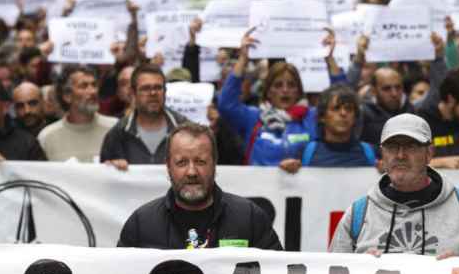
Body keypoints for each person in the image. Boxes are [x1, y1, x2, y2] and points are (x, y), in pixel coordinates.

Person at [329, 114, 459, 256]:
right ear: (382, 154)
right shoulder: (358, 213)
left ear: (429, 154)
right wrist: (359, 271)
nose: (400, 155)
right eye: (392, 147)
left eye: (411, 146)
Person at [118, 122, 282, 250]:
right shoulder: (141, 224)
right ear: (168, 166)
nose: (191, 172)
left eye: (200, 161)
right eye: (181, 162)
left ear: (214, 164)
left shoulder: (250, 218)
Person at [218, 29, 346, 165]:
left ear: (299, 91)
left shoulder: (313, 118)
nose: (285, 90)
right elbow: (226, 104)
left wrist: (329, 58)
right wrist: (243, 58)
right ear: (268, 91)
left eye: (291, 85)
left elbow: (344, 98)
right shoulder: (253, 118)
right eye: (278, 85)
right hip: (259, 186)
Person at [100, 64, 186, 169]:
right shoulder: (117, 135)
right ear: (133, 93)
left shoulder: (186, 130)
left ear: (165, 91)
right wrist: (112, 168)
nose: (153, 93)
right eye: (145, 88)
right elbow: (105, 180)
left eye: (158, 88)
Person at [282, 84, 377, 171]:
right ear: (322, 117)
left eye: (348, 109)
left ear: (355, 117)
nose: (343, 113)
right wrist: (287, 169)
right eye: (336, 108)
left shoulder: (371, 153)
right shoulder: (304, 152)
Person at [37, 66, 118, 162]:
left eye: (94, 85)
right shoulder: (47, 137)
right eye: (84, 86)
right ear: (67, 96)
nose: (93, 91)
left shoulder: (115, 128)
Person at [360, 67, 414, 145]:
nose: (394, 94)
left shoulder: (410, 110)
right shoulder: (363, 113)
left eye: (398, 87)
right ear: (373, 91)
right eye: (387, 89)